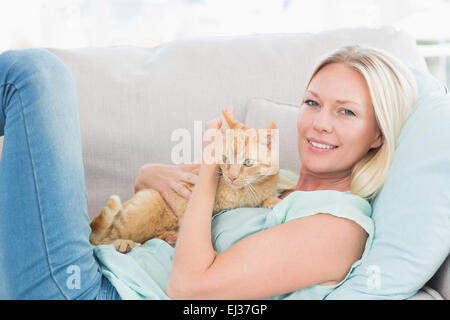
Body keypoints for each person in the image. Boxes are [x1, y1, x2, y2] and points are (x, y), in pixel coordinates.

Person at [0, 44, 417, 300]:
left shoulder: (340, 227)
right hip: (100, 260)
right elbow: (156, 192)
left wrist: (210, 169)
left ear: (377, 134)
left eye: (346, 111)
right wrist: (152, 174)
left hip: (92, 291)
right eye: (312, 103)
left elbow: (188, 288)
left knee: (36, 75)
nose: (319, 123)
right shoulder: (281, 183)